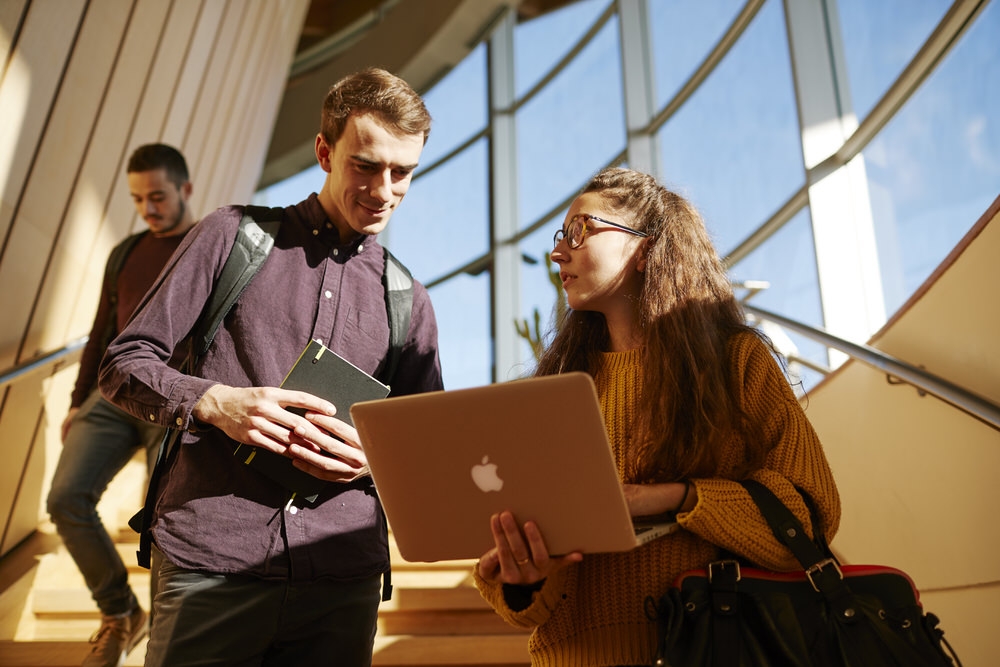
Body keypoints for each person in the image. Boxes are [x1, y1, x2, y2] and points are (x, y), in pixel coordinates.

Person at [98, 67, 443, 667]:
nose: (385, 189)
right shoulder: (230, 236)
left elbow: (424, 451)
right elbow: (124, 363)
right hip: (211, 561)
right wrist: (214, 402)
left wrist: (378, 457)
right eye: (366, 165)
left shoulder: (408, 297)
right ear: (323, 151)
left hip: (342, 579)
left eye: (403, 171)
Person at [473, 167, 841, 666]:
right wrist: (523, 577)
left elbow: (808, 516)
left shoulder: (737, 364)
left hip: (716, 647)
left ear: (645, 249)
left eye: (581, 230)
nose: (559, 252)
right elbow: (525, 611)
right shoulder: (552, 391)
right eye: (561, 236)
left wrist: (675, 497)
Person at [46, 143, 197, 667]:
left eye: (157, 196)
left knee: (163, 525)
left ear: (186, 190)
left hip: (175, 401)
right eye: (138, 199)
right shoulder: (125, 252)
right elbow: (101, 331)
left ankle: (162, 637)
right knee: (65, 498)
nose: (148, 208)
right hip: (111, 397)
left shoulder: (211, 246)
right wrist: (77, 399)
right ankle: (118, 612)